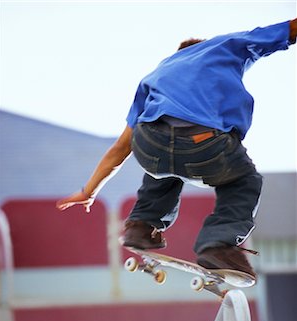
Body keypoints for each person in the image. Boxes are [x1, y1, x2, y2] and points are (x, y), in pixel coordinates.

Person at [57, 19, 297, 279]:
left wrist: (88, 191)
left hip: (150, 144)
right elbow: (283, 31)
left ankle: (141, 226)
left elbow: (119, 149)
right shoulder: (223, 47)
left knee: (164, 165)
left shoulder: (157, 76)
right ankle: (219, 245)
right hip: (205, 145)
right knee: (244, 180)